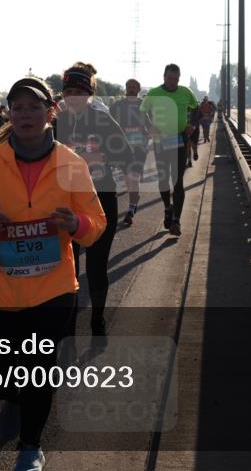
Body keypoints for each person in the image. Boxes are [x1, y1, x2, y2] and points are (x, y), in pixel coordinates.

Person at [0, 76, 106, 471]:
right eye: (18, 107)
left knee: (39, 374)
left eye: (34, 106)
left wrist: (74, 223)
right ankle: (13, 394)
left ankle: (30, 448)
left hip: (53, 291)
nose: (25, 114)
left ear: (50, 112)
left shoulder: (71, 163)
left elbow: (97, 223)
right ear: (9, 113)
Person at [53, 63, 130, 337]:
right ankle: (69, 330)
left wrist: (96, 158)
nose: (71, 96)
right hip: (64, 203)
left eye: (78, 91)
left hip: (100, 201)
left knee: (96, 267)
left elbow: (128, 157)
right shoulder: (56, 120)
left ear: (89, 94)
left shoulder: (102, 120)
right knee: (67, 269)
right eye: (67, 91)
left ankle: (98, 320)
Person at [140, 64, 198, 237]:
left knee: (178, 181)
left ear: (179, 78)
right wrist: (149, 127)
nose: (173, 82)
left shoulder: (186, 92)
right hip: (161, 140)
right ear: (164, 77)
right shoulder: (154, 93)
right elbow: (142, 113)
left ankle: (176, 221)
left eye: (176, 79)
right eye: (170, 78)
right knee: (164, 179)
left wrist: (192, 125)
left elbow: (196, 109)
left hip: (180, 138)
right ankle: (167, 207)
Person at [109, 78, 151, 227]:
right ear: (125, 89)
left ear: (138, 89)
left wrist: (147, 131)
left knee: (133, 177)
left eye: (134, 87)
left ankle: (131, 209)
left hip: (139, 147)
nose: (131, 89)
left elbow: (151, 125)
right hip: (123, 147)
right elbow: (109, 124)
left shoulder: (144, 105)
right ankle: (135, 198)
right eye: (129, 87)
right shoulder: (117, 105)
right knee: (129, 179)